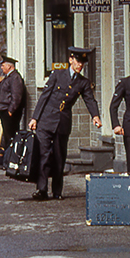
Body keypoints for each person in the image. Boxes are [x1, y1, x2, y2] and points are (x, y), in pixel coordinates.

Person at [28, 47, 102, 201]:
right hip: (46, 120)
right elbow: (44, 96)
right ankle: (41, 189)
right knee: (44, 155)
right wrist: (35, 118)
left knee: (59, 157)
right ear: (70, 60)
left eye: (82, 63)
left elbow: (89, 100)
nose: (80, 65)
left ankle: (57, 191)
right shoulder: (57, 74)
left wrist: (95, 116)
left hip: (63, 123)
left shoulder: (83, 82)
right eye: (78, 62)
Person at [0, 54, 26, 152]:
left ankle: (11, 158)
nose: (2, 67)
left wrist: (11, 110)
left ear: (9, 66)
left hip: (9, 112)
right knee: (7, 137)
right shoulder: (9, 77)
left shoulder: (15, 78)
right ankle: (7, 157)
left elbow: (17, 96)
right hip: (3, 110)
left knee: (10, 136)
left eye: (3, 65)